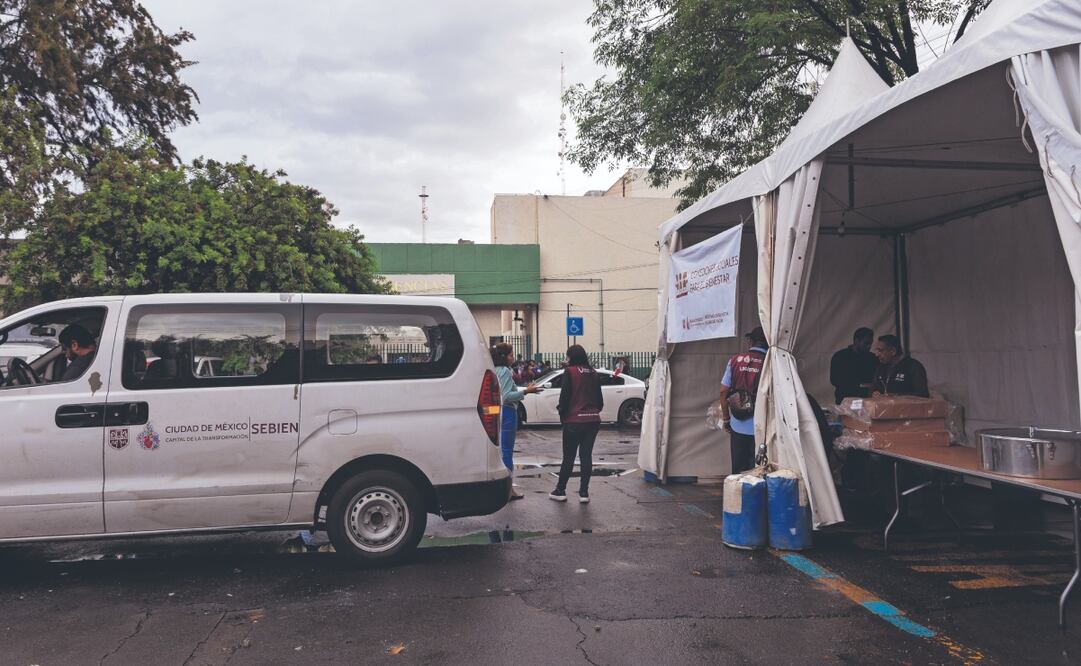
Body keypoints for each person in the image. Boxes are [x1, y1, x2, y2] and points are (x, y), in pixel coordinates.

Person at [550, 344, 604, 503]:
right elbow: (600, 401)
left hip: (573, 420)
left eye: (568, 356)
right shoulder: (593, 372)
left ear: (572, 357)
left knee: (569, 457)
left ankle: (560, 490)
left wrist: (562, 412)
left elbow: (564, 397)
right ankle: (584, 493)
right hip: (593, 420)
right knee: (586, 456)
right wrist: (593, 410)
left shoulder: (570, 372)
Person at [492, 343, 540, 499]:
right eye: (511, 354)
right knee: (507, 451)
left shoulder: (495, 370)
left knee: (500, 451)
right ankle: (508, 490)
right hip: (508, 412)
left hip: (499, 412)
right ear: (504, 356)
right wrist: (526, 391)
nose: (513, 356)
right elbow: (506, 396)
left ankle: (503, 487)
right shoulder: (505, 371)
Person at [718, 326, 768, 475]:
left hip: (738, 424)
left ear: (751, 341)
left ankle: (739, 498)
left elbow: (723, 391)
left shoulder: (735, 360)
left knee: (739, 472)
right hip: (762, 426)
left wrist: (726, 418)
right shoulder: (770, 362)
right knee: (759, 471)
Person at [829, 327, 877, 404]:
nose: (869, 346)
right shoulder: (840, 357)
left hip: (867, 401)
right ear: (857, 341)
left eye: (870, 343)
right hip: (845, 400)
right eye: (866, 343)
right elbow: (834, 380)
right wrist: (857, 385)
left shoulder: (872, 358)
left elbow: (876, 379)